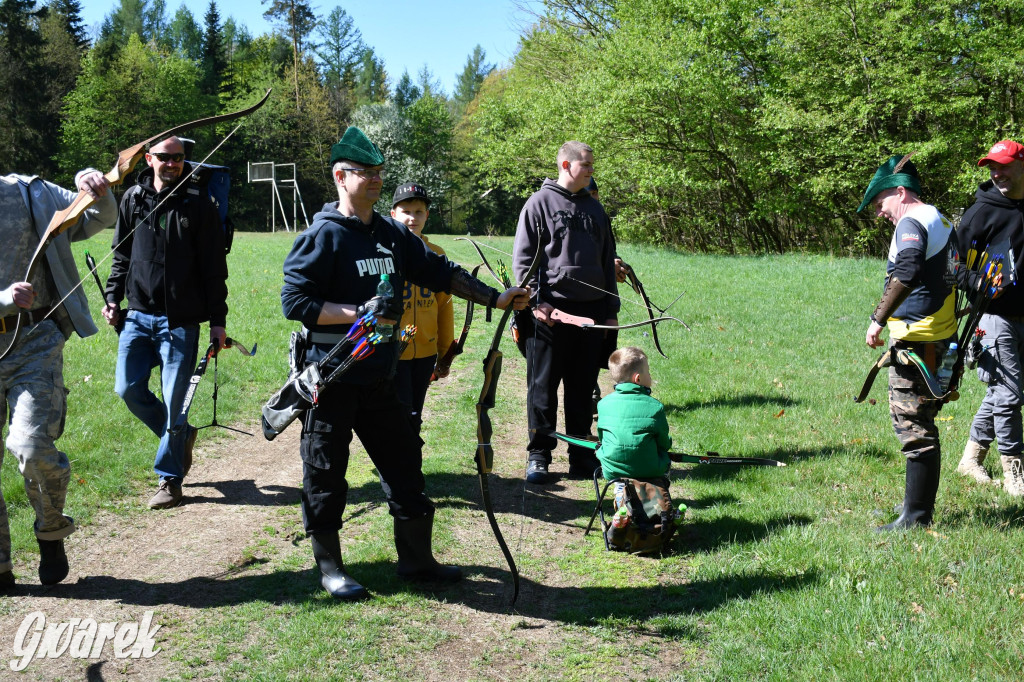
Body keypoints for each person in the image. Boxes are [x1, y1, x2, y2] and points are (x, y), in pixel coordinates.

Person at [280, 126, 530, 601]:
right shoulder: (322, 236)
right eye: (364, 173)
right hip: (332, 377)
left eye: (379, 173)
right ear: (340, 176)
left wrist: (496, 298)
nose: (375, 180)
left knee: (406, 468)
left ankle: (416, 560)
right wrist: (357, 313)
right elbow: (296, 301)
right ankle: (330, 568)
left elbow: (440, 272)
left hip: (381, 379)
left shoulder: (392, 233)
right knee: (326, 474)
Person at [0, 167, 116, 588]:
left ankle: (51, 530)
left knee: (29, 446)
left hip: (36, 338)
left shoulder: (32, 192)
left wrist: (100, 192)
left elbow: (95, 219)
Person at [102, 136, 228, 510]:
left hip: (181, 323)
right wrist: (113, 297)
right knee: (127, 389)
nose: (173, 164)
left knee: (176, 403)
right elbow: (121, 254)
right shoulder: (132, 199)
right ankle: (178, 436)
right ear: (148, 158)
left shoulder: (198, 205)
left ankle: (169, 480)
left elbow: (213, 269)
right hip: (137, 316)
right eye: (165, 158)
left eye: (179, 158)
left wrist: (217, 323)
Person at [858, 154, 958, 531]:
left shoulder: (912, 222)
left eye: (881, 203)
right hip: (938, 338)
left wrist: (877, 318)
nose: (879, 213)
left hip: (918, 341)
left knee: (914, 428)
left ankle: (915, 518)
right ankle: (913, 511)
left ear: (901, 192)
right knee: (923, 423)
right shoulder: (941, 219)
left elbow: (908, 270)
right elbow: (954, 273)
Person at [513, 141, 620, 485]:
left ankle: (581, 456)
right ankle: (538, 455)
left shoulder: (596, 210)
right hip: (549, 315)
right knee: (542, 388)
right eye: (586, 165)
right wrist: (536, 302)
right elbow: (524, 260)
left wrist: (610, 311)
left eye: (591, 165)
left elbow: (607, 262)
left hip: (590, 316)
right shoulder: (539, 204)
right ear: (565, 164)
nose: (591, 170)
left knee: (581, 388)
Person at [955, 140, 1024, 496]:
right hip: (991, 314)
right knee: (1010, 394)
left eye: (1004, 166)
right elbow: (951, 264)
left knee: (1004, 391)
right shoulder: (980, 212)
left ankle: (970, 459)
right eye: (992, 168)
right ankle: (1015, 475)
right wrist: (977, 282)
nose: (997, 174)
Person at [390, 182, 454, 435]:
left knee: (415, 411)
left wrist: (445, 352)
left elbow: (444, 308)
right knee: (397, 412)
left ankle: (409, 466)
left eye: (418, 212)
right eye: (406, 211)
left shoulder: (436, 254)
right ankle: (396, 471)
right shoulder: (384, 252)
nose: (412, 218)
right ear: (393, 214)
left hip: (425, 352)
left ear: (427, 215)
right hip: (394, 351)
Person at [595, 347, 672, 502]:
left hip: (612, 469)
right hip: (649, 468)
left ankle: (620, 491)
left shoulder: (603, 404)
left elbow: (602, 436)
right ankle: (654, 494)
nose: (650, 376)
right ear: (638, 378)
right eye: (648, 372)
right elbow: (664, 442)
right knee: (664, 459)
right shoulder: (655, 407)